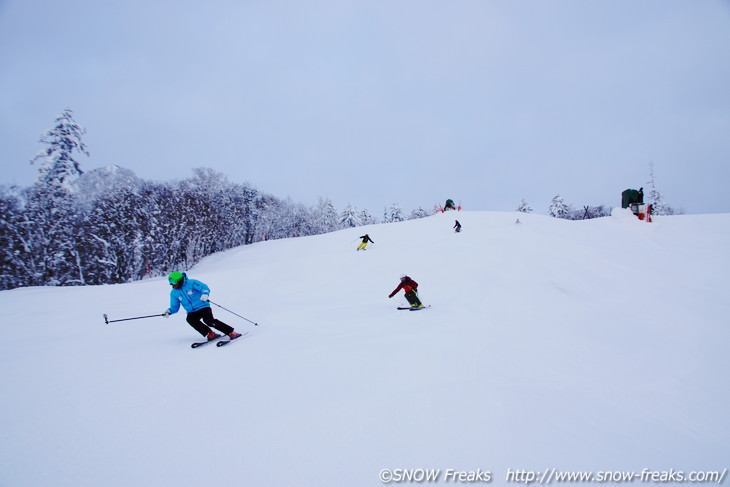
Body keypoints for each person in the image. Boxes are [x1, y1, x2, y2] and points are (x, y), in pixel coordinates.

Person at [163, 271, 241, 341]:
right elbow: (175, 307)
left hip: (203, 306)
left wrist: (205, 294)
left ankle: (231, 332)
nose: (172, 285)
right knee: (190, 319)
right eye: (171, 282)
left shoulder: (192, 283)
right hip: (192, 311)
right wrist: (169, 311)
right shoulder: (174, 293)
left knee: (208, 320)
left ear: (180, 280)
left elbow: (204, 287)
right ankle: (210, 333)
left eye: (174, 282)